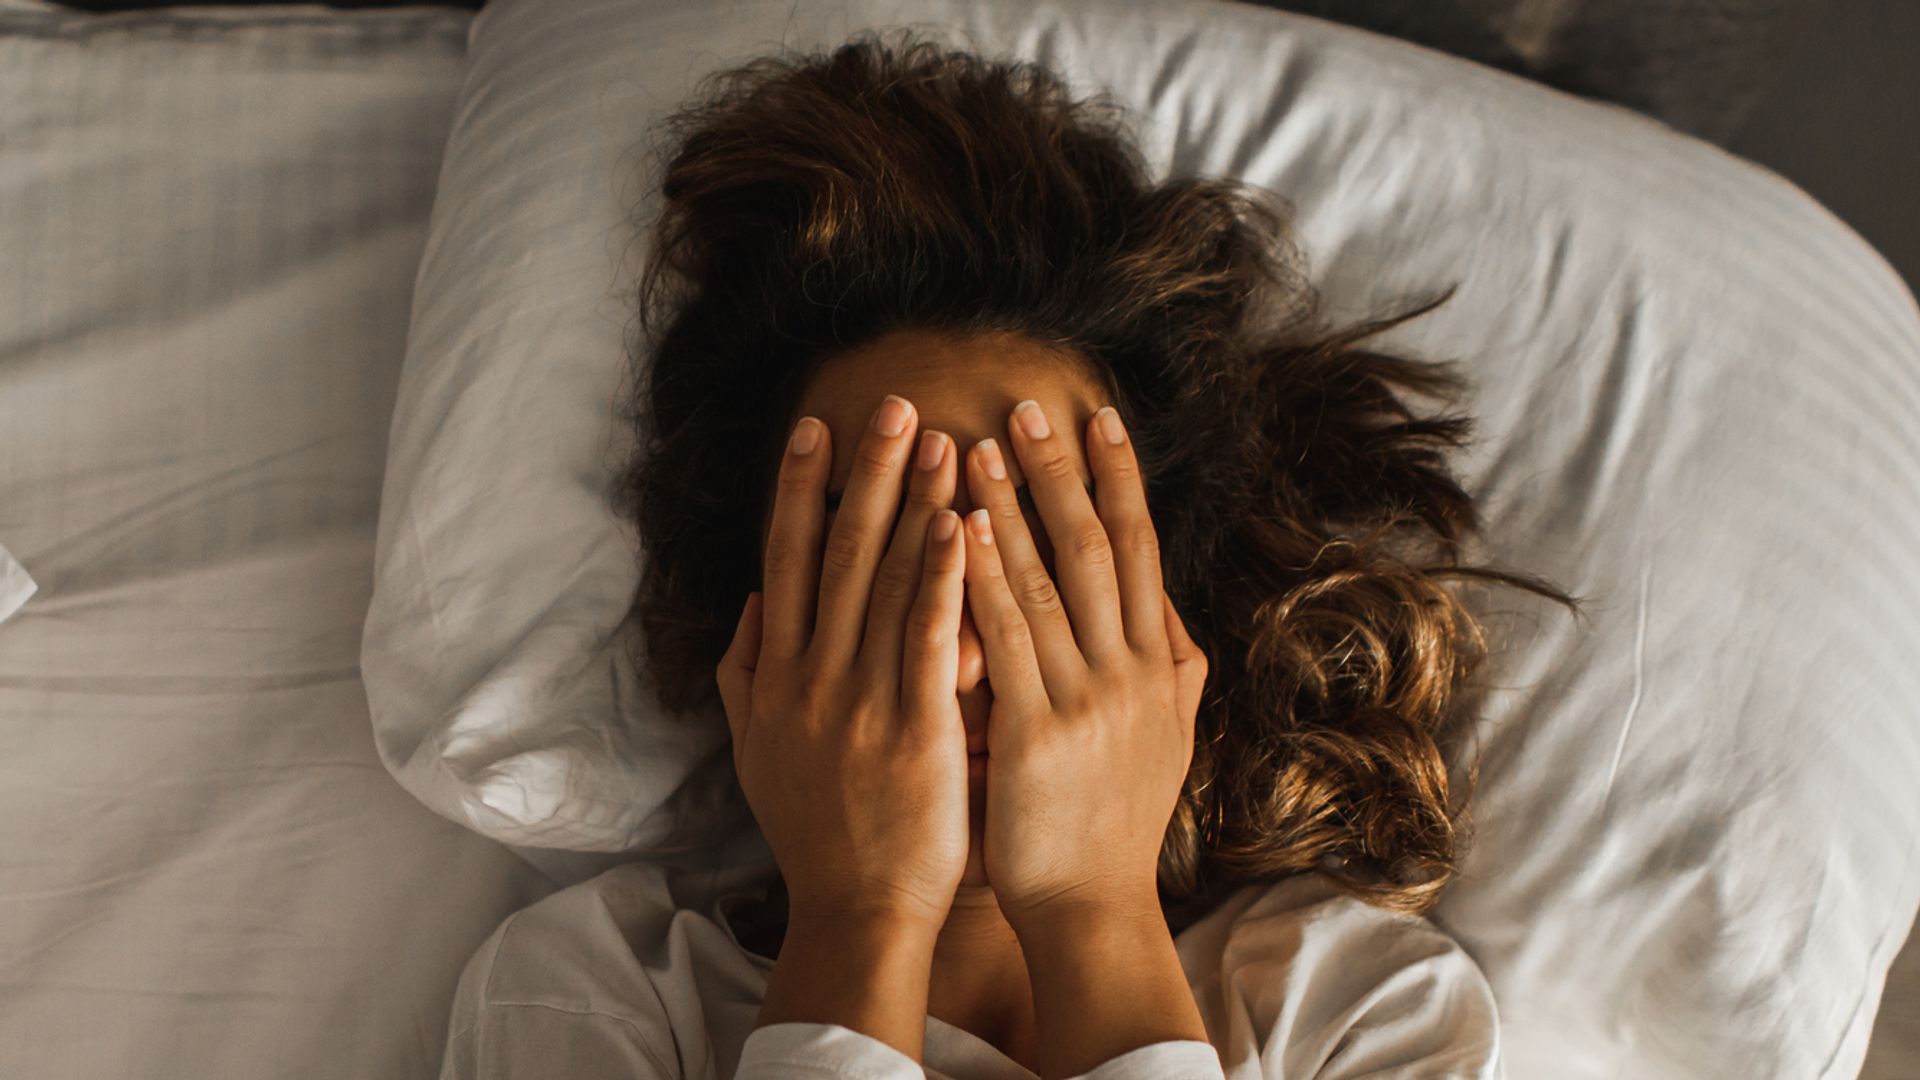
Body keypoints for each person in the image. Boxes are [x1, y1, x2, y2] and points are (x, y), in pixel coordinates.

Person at [440, 28, 1583, 1080]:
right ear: (757, 630)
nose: (970, 658)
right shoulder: (593, 999)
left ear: (1163, 618)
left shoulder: (1357, 1012)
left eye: (1043, 551)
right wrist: (861, 914)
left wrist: (1094, 906)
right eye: (884, 556)